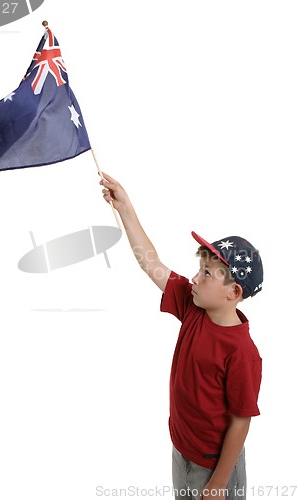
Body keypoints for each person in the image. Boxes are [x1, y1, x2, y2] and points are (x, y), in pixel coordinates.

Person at [100, 172, 263, 500]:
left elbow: (241, 420)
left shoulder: (242, 351)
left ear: (233, 291)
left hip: (216, 467)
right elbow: (151, 264)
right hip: (182, 452)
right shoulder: (192, 306)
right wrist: (126, 210)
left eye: (206, 274)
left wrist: (218, 483)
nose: (194, 278)